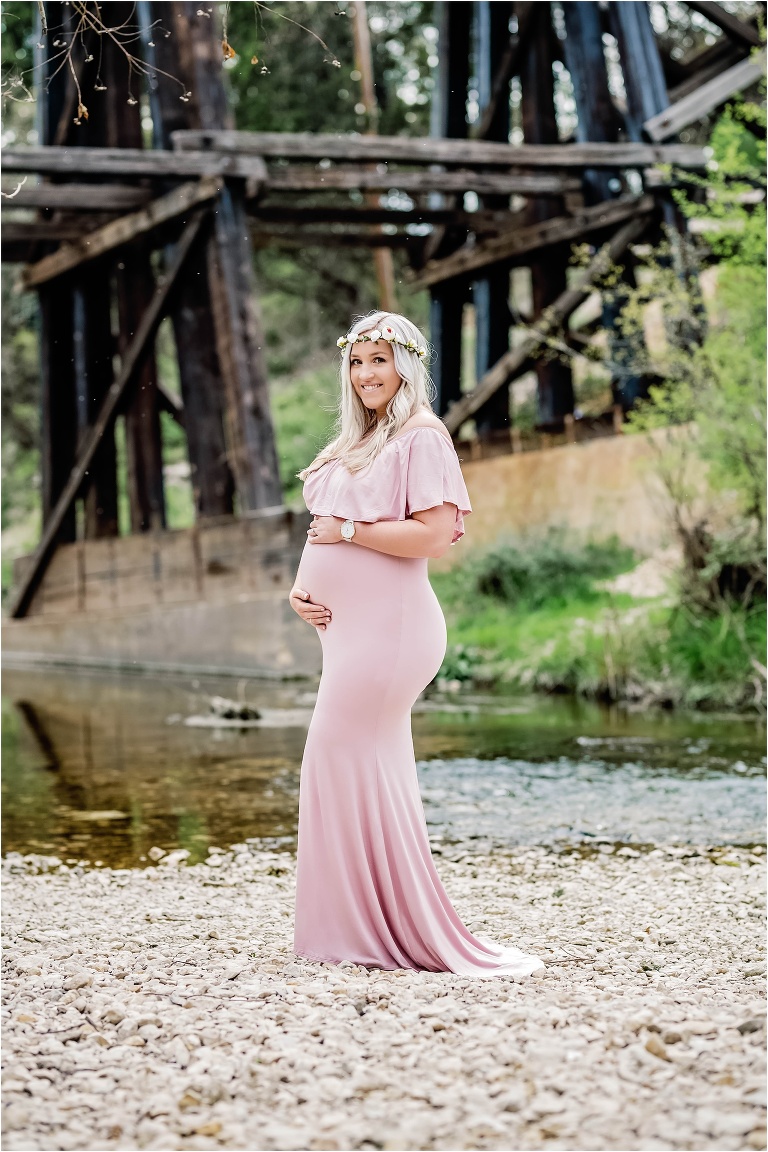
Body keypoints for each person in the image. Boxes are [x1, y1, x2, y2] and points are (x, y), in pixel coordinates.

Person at [288, 310, 544, 979]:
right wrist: (301, 588)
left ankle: (375, 930)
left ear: (407, 366)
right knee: (365, 771)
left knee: (334, 757)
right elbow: (323, 524)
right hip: (348, 633)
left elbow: (432, 534)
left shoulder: (422, 436)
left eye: (380, 360)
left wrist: (347, 537)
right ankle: (357, 927)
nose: (367, 373)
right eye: (357, 361)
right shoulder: (360, 439)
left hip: (393, 630)